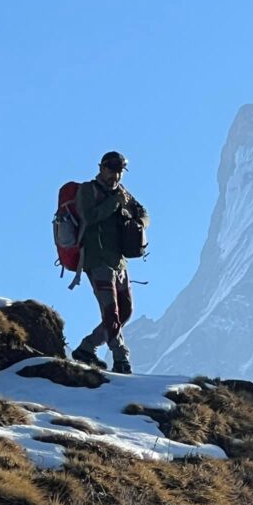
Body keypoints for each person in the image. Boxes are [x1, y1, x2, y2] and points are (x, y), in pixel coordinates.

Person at [71, 151, 149, 374]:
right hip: (96, 260)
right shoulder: (88, 190)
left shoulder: (123, 193)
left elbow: (144, 213)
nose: (115, 176)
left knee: (126, 311)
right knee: (111, 312)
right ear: (102, 168)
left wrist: (138, 224)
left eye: (119, 172)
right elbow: (90, 216)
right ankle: (121, 358)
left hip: (119, 262)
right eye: (112, 170)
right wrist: (116, 203)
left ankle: (87, 347)